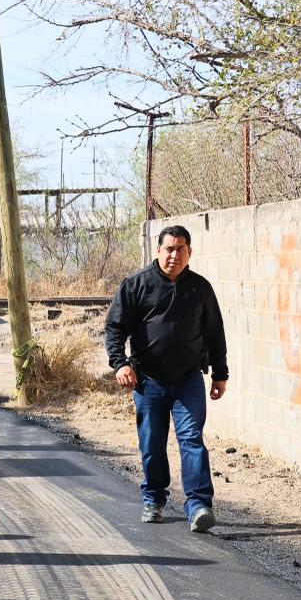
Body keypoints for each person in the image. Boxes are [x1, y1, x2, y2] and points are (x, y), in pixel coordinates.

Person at [105, 225, 229, 533]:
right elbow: (114, 328)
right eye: (169, 248)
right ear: (158, 250)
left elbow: (215, 333)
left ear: (190, 253)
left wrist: (220, 374)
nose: (174, 254)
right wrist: (120, 365)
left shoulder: (200, 288)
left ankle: (199, 504)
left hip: (188, 379)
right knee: (152, 442)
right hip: (148, 381)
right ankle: (154, 498)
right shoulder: (136, 285)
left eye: (181, 249)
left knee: (191, 439)